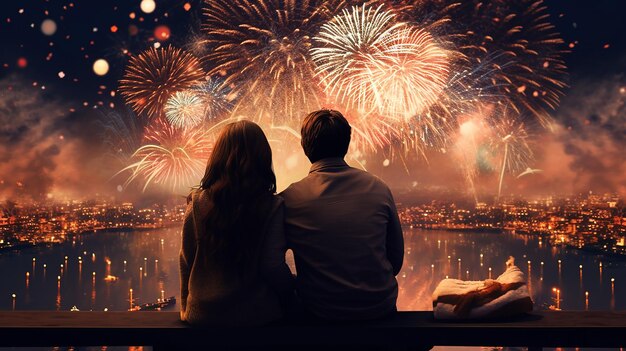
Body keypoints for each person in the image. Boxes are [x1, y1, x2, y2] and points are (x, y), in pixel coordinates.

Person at [281, 109, 404, 321]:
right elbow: (396, 261)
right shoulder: (378, 187)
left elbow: (271, 261)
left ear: (305, 146)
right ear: (347, 143)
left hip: (319, 313)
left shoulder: (289, 198)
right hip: (378, 310)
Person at [179, 120, 293, 326]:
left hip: (202, 316)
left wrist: (185, 308)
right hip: (254, 316)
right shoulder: (272, 206)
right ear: (263, 157)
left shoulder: (197, 202)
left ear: (217, 157)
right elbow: (271, 266)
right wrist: (292, 292)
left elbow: (186, 260)